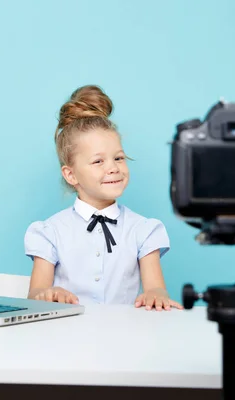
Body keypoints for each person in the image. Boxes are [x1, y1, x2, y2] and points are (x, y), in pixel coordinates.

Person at [23, 85, 182, 311]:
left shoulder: (143, 230)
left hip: (124, 337)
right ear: (71, 174)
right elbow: (36, 293)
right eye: (98, 161)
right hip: (66, 337)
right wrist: (48, 293)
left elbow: (156, 289)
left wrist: (155, 295)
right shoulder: (51, 231)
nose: (113, 168)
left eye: (118, 158)